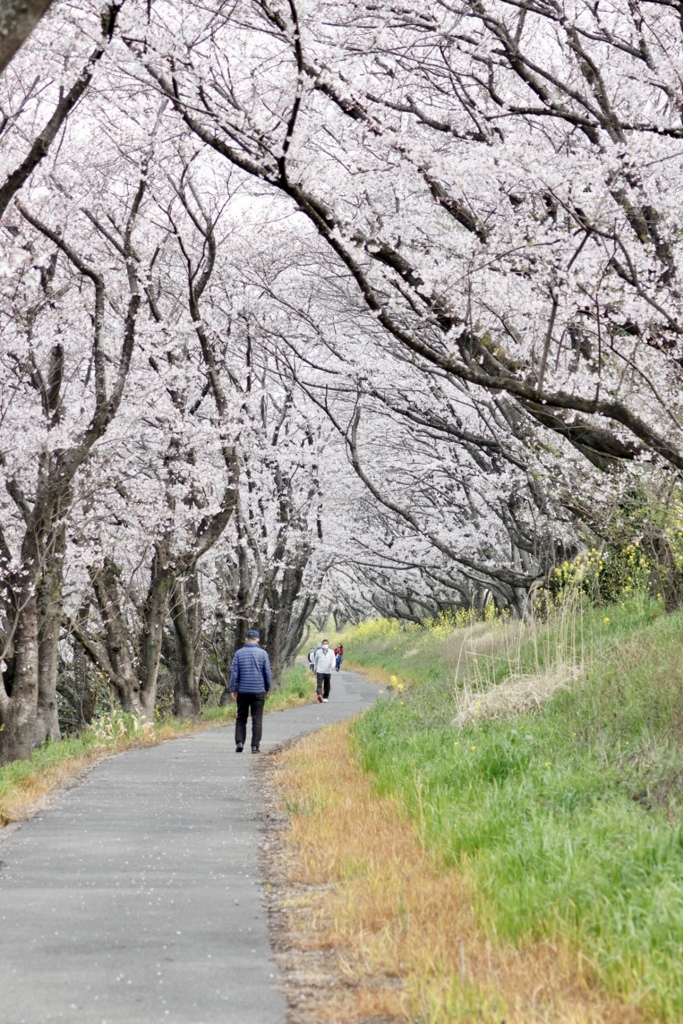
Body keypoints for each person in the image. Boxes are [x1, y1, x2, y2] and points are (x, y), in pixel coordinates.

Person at [229, 628, 271, 753]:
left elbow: (234, 673)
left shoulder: (238, 653)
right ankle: (254, 746)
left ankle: (240, 742)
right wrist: (267, 687)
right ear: (258, 640)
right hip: (258, 690)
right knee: (257, 719)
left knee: (241, 717)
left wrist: (233, 688)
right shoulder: (263, 654)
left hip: (242, 691)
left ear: (246, 639)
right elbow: (267, 673)